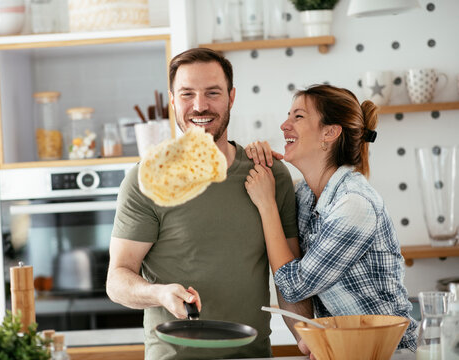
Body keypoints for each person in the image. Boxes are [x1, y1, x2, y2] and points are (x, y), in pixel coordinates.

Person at [106, 47, 313, 360]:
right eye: (187, 94)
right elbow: (117, 279)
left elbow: (288, 279)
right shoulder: (144, 180)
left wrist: (307, 343)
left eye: (212, 93)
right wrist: (159, 293)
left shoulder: (268, 173)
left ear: (231, 98)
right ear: (173, 101)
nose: (199, 105)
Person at [244, 84, 418, 352]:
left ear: (329, 132)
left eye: (298, 117)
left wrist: (268, 205)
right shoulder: (305, 194)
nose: (284, 125)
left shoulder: (353, 205)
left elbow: (293, 286)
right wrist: (259, 157)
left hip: (389, 353)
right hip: (345, 350)